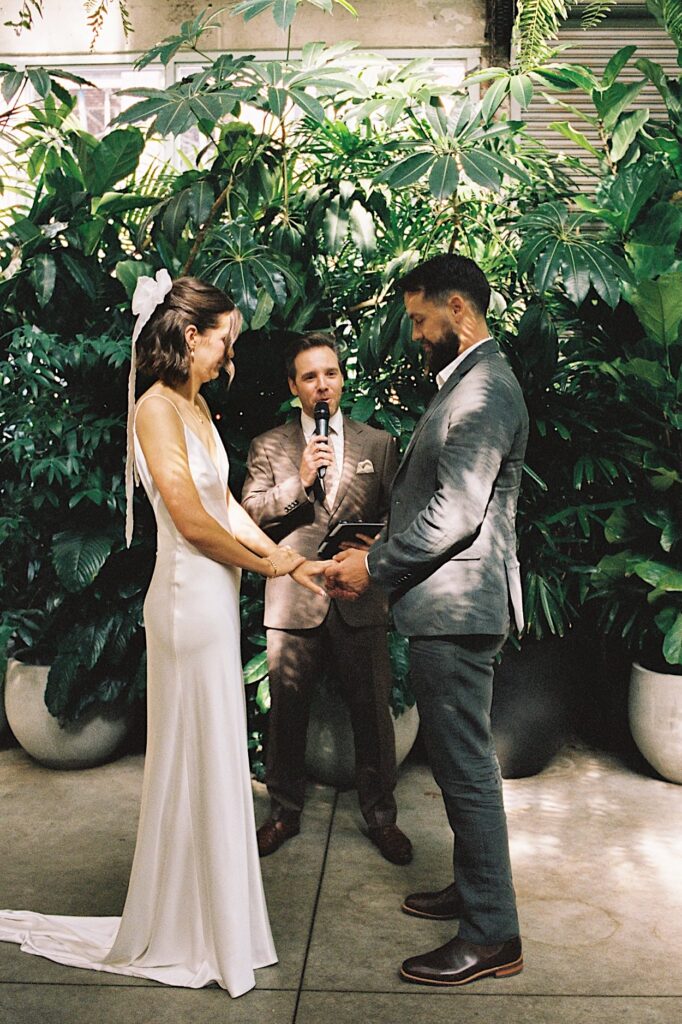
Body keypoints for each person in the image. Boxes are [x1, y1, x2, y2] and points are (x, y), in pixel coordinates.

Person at [0, 273, 328, 997]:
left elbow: (229, 509)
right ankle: (190, 927)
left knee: (213, 754)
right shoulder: (154, 409)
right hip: (185, 602)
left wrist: (290, 562)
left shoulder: (196, 404)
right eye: (224, 339)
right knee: (197, 752)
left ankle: (219, 924)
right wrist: (265, 559)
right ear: (188, 335)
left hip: (214, 595)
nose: (229, 355)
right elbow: (191, 521)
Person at [326, 254, 529, 987]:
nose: (414, 334)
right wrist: (383, 540)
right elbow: (437, 502)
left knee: (467, 769)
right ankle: (477, 895)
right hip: (448, 605)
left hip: (458, 611)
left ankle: (492, 934)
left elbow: (457, 511)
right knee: (455, 764)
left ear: (458, 310)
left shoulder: (485, 391)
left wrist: (373, 566)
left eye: (420, 319)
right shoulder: (473, 383)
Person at [241, 332, 412, 865]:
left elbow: (397, 518)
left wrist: (371, 555)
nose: (322, 385)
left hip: (358, 597)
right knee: (286, 716)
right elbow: (248, 517)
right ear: (294, 387)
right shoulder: (269, 446)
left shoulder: (377, 444)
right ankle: (283, 814)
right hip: (295, 599)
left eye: (331, 373)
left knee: (373, 717)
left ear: (342, 379)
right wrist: (298, 480)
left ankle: (381, 818)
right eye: (310, 376)